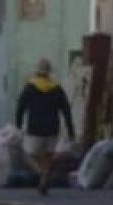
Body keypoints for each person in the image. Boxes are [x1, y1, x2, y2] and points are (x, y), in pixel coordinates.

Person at [15, 58, 76, 195]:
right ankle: (45, 175)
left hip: (35, 128)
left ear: (37, 71)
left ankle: (42, 173)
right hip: (52, 128)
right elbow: (66, 110)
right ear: (49, 73)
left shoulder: (29, 87)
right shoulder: (57, 88)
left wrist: (18, 124)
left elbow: (20, 107)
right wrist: (71, 129)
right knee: (48, 155)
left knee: (31, 153)